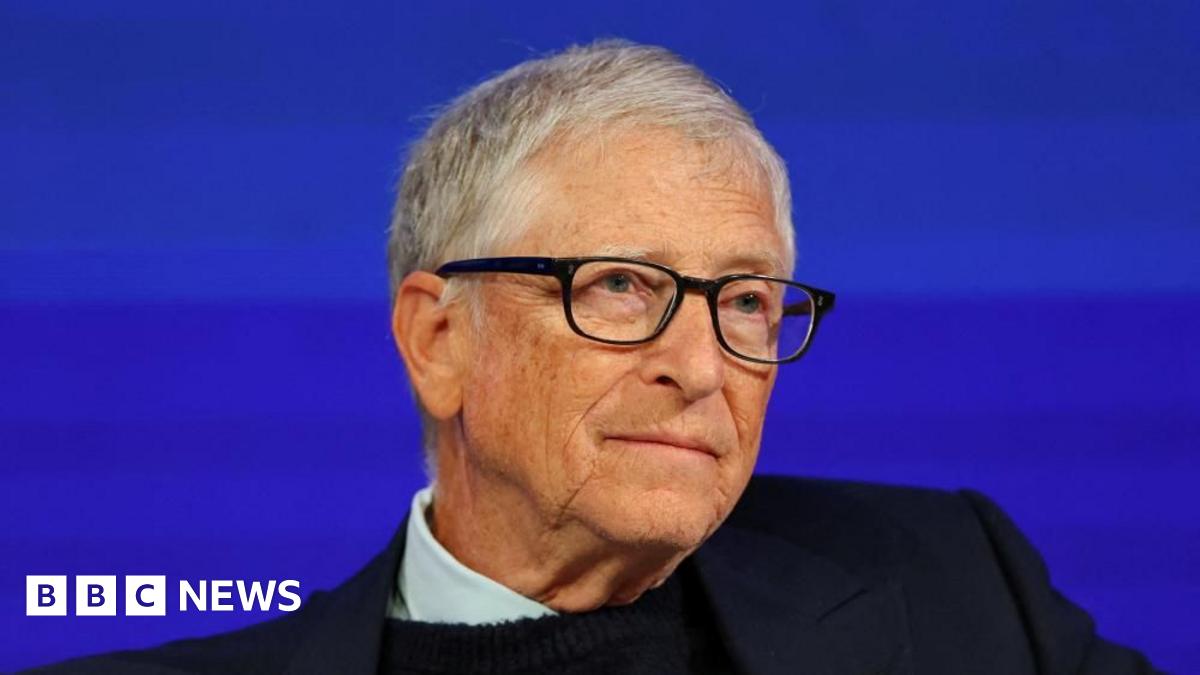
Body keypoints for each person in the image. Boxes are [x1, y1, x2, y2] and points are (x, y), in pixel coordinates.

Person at [31, 39, 1160, 675]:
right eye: (622, 285)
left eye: (745, 300)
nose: (701, 367)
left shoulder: (956, 584)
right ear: (438, 340)